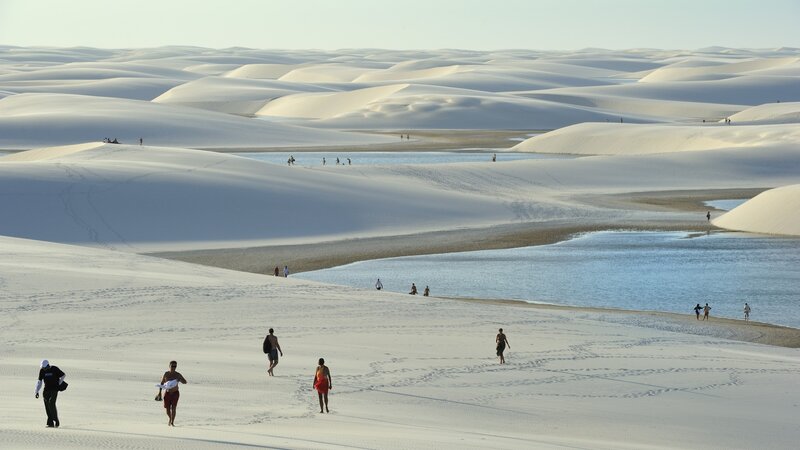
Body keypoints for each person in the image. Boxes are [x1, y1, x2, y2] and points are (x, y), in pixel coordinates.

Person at [155, 360, 187, 426]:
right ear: (169, 366)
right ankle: (170, 418)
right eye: (172, 366)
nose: (173, 367)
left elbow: (185, 381)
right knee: (167, 409)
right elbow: (162, 383)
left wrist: (180, 380)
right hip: (167, 393)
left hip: (175, 393)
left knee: (174, 408)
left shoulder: (178, 374)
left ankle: (172, 422)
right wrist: (159, 392)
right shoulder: (166, 374)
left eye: (175, 366)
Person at [35, 360, 65, 428]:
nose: (44, 369)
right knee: (47, 405)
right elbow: (39, 381)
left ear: (48, 365)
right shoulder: (42, 370)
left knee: (51, 403)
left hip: (54, 389)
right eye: (43, 367)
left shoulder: (54, 369)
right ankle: (50, 423)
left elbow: (63, 375)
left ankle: (56, 420)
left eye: (45, 367)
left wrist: (59, 383)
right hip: (46, 390)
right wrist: (36, 391)